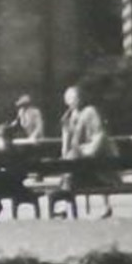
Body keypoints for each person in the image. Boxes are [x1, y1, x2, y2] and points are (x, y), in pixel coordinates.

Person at [51, 85, 117, 218]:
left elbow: (100, 136)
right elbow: (67, 148)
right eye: (69, 99)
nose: (73, 102)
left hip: (98, 162)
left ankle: (104, 206)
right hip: (83, 167)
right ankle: (64, 206)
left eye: (75, 98)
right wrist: (65, 132)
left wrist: (86, 152)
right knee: (69, 167)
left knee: (72, 164)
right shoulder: (71, 116)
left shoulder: (90, 112)